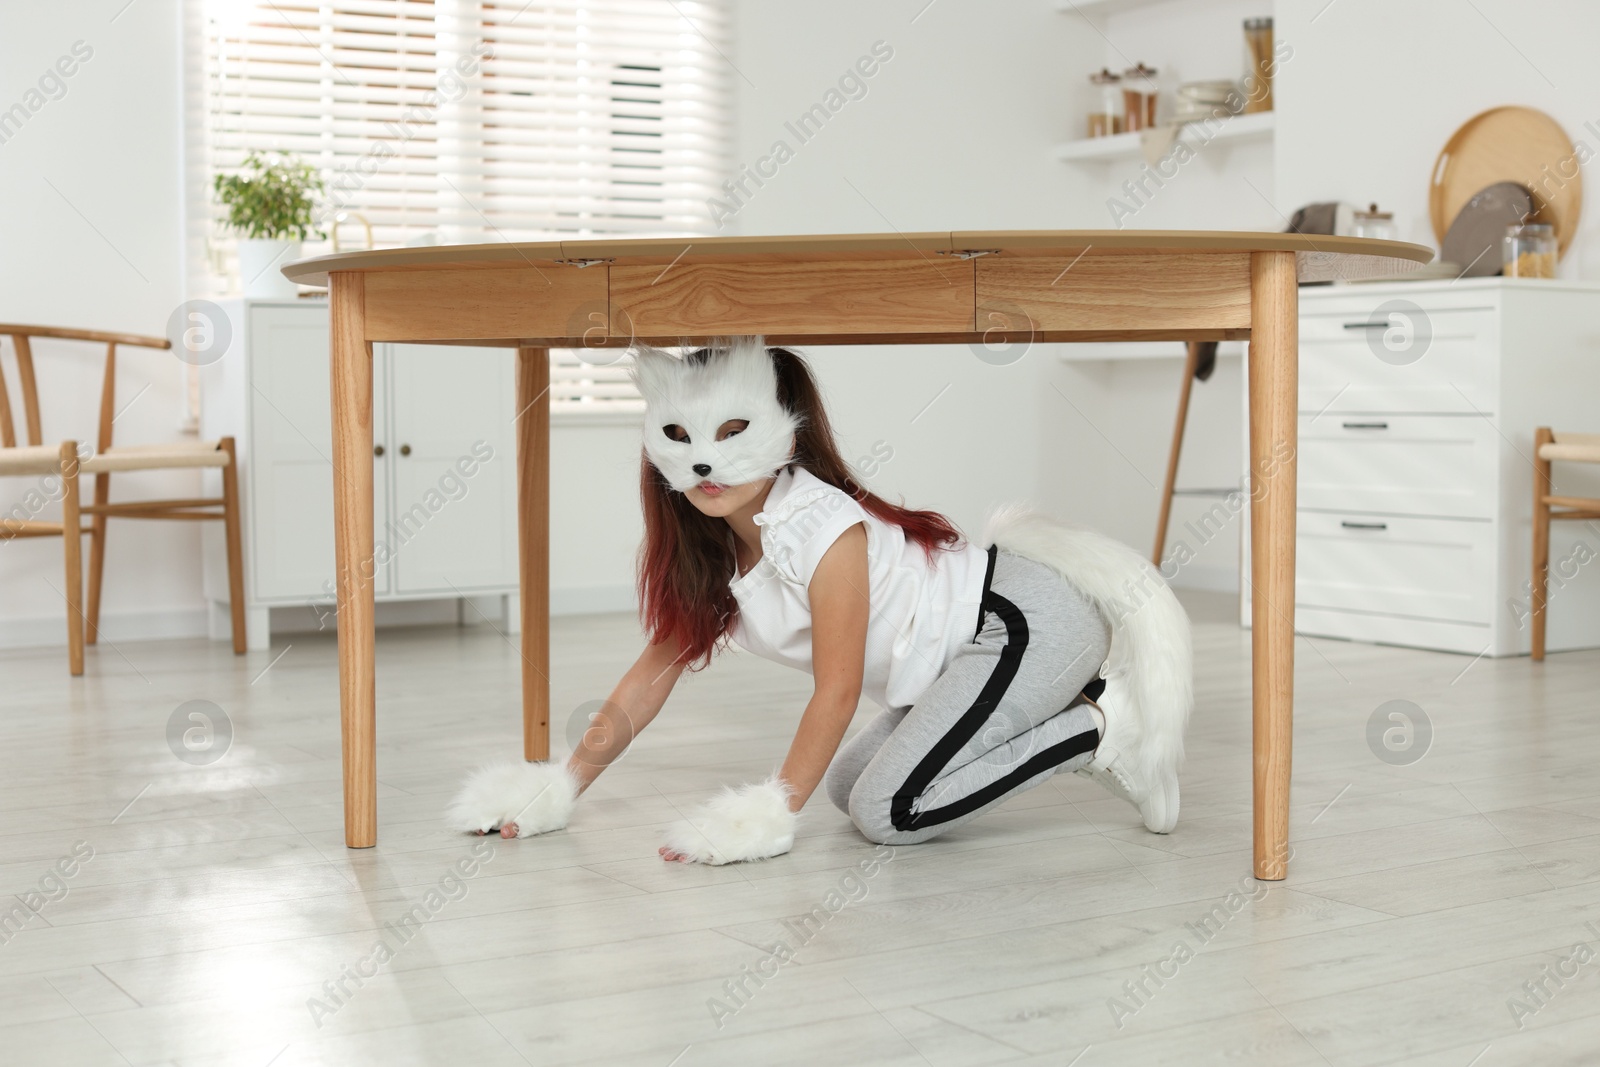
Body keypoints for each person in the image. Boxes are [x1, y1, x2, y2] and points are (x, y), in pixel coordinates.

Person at [448, 338, 1191, 864]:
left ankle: (1099, 730)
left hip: (1021, 624)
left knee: (887, 810)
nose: (705, 461)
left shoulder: (821, 527)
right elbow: (649, 677)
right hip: (960, 654)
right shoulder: (714, 548)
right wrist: (562, 785)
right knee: (842, 785)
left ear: (780, 432)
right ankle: (1059, 717)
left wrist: (770, 816)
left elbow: (835, 693)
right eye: (680, 436)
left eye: (733, 431)